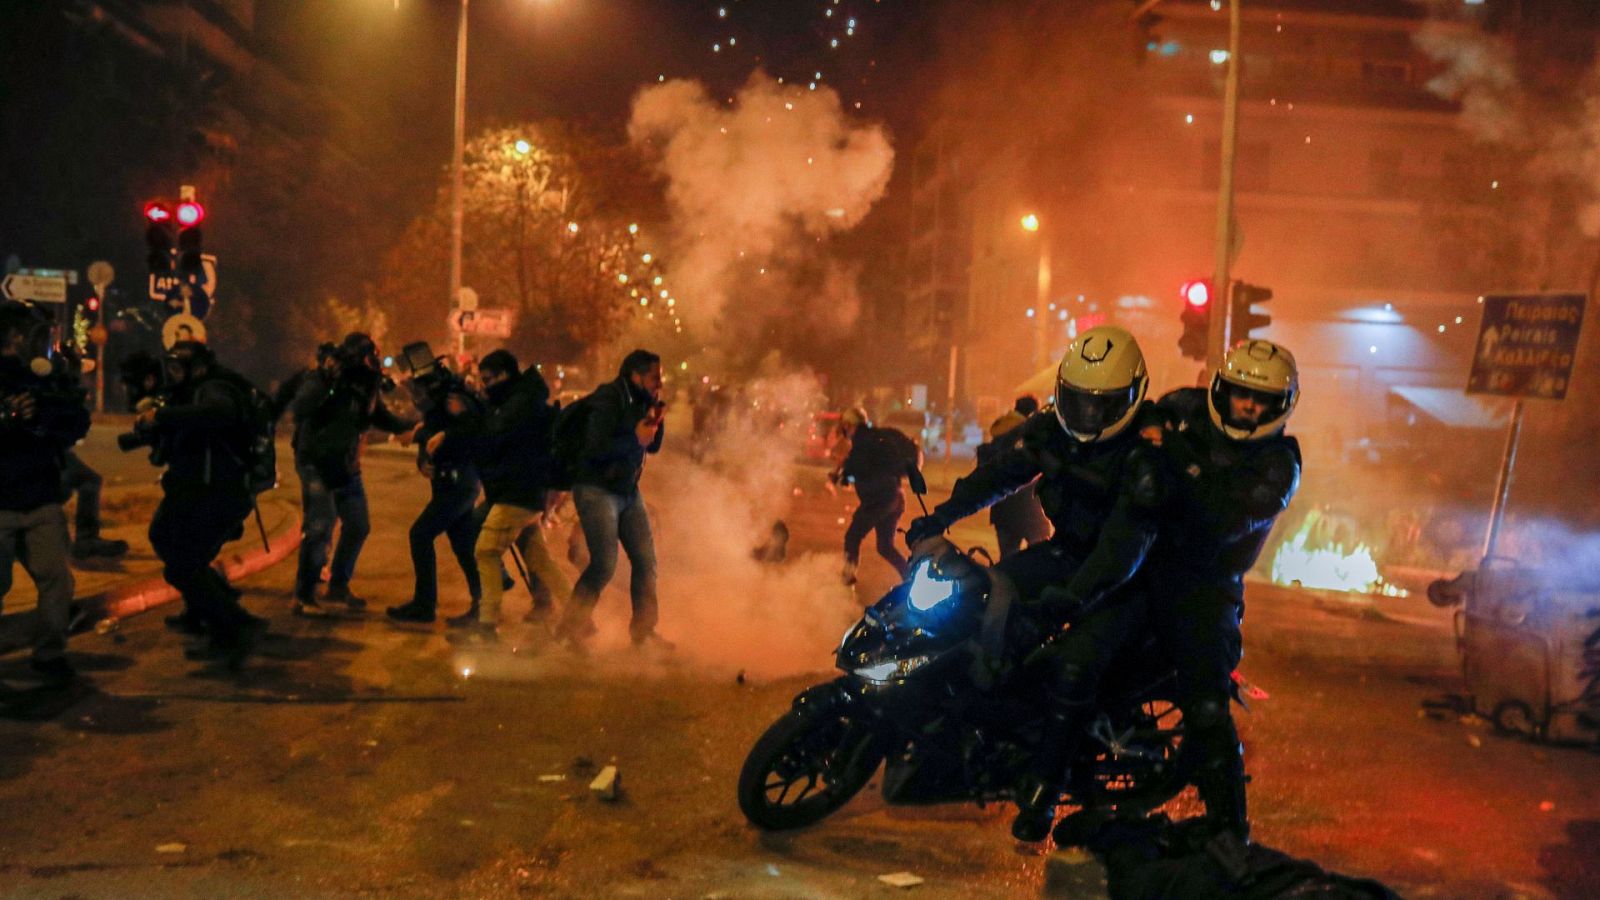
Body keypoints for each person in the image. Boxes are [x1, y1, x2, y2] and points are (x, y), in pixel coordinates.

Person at [904, 324, 1165, 842]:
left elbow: (1120, 550)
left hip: (1124, 579)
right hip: (1066, 551)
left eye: (1102, 406)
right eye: (1079, 402)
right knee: (982, 596)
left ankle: (1043, 790)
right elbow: (1004, 473)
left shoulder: (1144, 460)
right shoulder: (1052, 430)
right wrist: (945, 514)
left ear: (1132, 397)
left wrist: (1070, 600)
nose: (1088, 416)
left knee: (1073, 666)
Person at [1139, 339, 1302, 841]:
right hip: (1141, 559)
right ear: (1221, 390)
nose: (1248, 406)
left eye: (1262, 400)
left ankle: (1230, 826)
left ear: (1280, 407)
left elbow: (1220, 518)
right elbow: (1140, 418)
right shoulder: (1185, 407)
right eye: (1239, 393)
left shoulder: (1279, 462)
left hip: (1206, 584)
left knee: (1207, 703)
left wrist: (1175, 454)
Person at [137, 341, 269, 665]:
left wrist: (162, 415)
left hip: (218, 493)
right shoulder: (192, 391)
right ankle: (203, 608)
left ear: (196, 367)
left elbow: (217, 412)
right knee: (163, 537)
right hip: (194, 489)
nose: (174, 376)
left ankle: (232, 625)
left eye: (179, 369)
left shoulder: (215, 388)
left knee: (184, 565)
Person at [288, 332, 413, 616]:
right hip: (316, 463)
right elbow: (301, 407)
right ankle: (304, 593)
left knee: (358, 525)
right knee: (320, 526)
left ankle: (338, 586)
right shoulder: (324, 378)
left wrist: (413, 427)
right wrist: (327, 379)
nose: (376, 363)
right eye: (371, 357)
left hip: (346, 465)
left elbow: (377, 415)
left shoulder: (366, 385)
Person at [0, 301, 90, 686]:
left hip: (40, 498)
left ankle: (50, 654)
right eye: (32, 334)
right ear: (14, 334)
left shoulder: (44, 378)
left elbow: (75, 423)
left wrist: (45, 413)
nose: (39, 343)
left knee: (58, 579)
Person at [556, 349, 669, 651]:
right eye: (654, 377)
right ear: (635, 375)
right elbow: (596, 446)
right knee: (604, 563)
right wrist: (634, 437)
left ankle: (644, 633)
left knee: (646, 561)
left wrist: (655, 422)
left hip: (627, 491)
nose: (659, 383)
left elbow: (652, 446)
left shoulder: (645, 401)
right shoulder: (609, 398)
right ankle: (571, 627)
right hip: (596, 489)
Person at [454, 349, 571, 643]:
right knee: (541, 561)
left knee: (486, 551)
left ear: (506, 375)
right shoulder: (522, 399)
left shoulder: (520, 405)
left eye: (489, 379)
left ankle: (486, 625)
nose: (485, 385)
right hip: (524, 492)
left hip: (517, 493)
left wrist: (471, 413)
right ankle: (580, 616)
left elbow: (492, 437)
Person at [386, 369, 485, 625]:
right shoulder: (440, 409)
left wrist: (423, 435)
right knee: (463, 545)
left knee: (420, 534)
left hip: (459, 483)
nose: (417, 398)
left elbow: (469, 431)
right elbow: (434, 435)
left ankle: (425, 604)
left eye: (418, 391)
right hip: (453, 482)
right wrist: (423, 457)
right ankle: (483, 604)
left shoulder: (456, 400)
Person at [832, 407, 919, 586]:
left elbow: (853, 471)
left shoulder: (862, 443)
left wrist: (842, 475)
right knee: (885, 547)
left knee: (852, 537)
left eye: (845, 427)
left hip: (878, 500)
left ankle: (847, 581)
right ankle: (910, 577)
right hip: (895, 497)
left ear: (849, 425)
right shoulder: (877, 437)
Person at [981, 395, 1051, 559]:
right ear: (1033, 413)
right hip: (1029, 510)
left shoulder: (1000, 431)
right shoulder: (1029, 433)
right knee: (1041, 559)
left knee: (1007, 562)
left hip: (1002, 512)